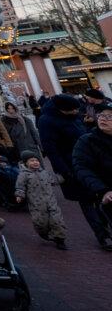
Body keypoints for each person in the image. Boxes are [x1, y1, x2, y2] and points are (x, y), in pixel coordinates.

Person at [39, 93, 110, 250]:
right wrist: (65, 171)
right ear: (63, 109)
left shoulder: (74, 117)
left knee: (101, 196)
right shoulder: (47, 121)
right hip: (71, 166)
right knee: (87, 201)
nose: (77, 111)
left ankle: (107, 227)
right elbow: (51, 149)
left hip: (91, 161)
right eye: (73, 109)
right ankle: (102, 235)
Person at [72, 104, 112, 251]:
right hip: (96, 188)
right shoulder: (86, 141)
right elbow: (81, 167)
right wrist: (103, 190)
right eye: (101, 115)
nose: (103, 119)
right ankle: (104, 236)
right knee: (97, 213)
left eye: (109, 116)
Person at [15, 150, 68, 250]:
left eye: (36, 160)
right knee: (41, 222)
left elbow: (54, 180)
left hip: (51, 202)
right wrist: (19, 195)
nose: (35, 162)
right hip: (37, 205)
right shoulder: (23, 175)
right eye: (32, 161)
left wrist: (63, 177)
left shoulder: (44, 173)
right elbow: (20, 186)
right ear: (26, 163)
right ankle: (43, 232)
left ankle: (60, 240)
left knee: (57, 221)